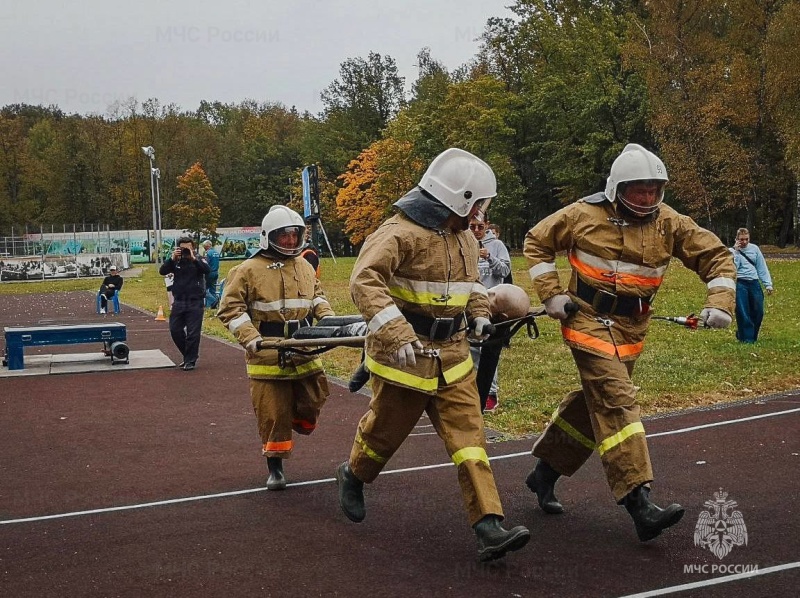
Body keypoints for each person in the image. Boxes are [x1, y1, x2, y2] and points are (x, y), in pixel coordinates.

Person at [523, 143, 736, 543]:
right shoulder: (582, 214)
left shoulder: (669, 221)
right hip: (585, 319)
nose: (648, 198)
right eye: (639, 190)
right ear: (617, 187)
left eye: (655, 190)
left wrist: (720, 302)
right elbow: (536, 241)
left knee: (594, 405)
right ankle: (639, 501)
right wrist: (551, 293)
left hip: (632, 328)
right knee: (617, 400)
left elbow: (717, 257)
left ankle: (543, 474)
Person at [335, 147, 530, 562]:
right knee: (383, 435)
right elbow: (365, 281)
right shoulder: (397, 233)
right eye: (478, 203)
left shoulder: (463, 237)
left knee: (470, 441)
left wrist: (479, 314)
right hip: (406, 359)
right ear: (459, 198)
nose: (481, 212)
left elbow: (473, 283)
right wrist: (394, 333)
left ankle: (489, 526)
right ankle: (353, 475)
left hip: (455, 358)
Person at [216, 205, 336, 490]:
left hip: (305, 347)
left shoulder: (305, 266)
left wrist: (329, 319)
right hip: (267, 354)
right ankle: (276, 468)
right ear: (269, 236)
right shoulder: (246, 270)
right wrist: (250, 337)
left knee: (315, 397)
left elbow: (317, 297)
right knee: (273, 414)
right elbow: (230, 309)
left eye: (295, 236)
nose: (291, 241)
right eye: (285, 237)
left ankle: (297, 418)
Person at [469, 216, 511, 412]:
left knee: (488, 350)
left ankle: (490, 394)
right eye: (472, 226)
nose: (476, 230)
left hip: (492, 304)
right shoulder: (463, 242)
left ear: (486, 225)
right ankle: (471, 392)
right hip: (469, 304)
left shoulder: (496, 245)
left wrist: (489, 258)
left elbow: (505, 270)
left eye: (480, 226)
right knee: (470, 350)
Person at [159, 236, 210, 371]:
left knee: (193, 333)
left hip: (195, 301)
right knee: (175, 330)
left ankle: (190, 361)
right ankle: (189, 355)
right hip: (179, 301)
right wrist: (172, 259)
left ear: (193, 247)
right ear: (178, 248)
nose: (186, 250)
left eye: (188, 247)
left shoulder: (199, 259)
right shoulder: (176, 261)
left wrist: (194, 259)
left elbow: (207, 270)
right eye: (183, 248)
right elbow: (162, 271)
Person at [731, 227, 774, 343]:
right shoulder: (732, 251)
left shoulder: (755, 249)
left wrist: (768, 284)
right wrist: (736, 252)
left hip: (754, 282)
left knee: (758, 311)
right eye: (741, 239)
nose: (744, 242)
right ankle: (747, 339)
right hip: (740, 283)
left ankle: (751, 335)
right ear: (736, 239)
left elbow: (762, 267)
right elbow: (733, 269)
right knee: (743, 311)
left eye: (746, 239)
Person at [202, 240, 221, 308]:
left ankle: (213, 301)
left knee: (204, 289)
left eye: (204, 247)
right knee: (213, 289)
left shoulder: (207, 253)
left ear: (206, 246)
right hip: (216, 272)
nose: (204, 248)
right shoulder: (216, 252)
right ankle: (212, 306)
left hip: (209, 273)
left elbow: (205, 263)